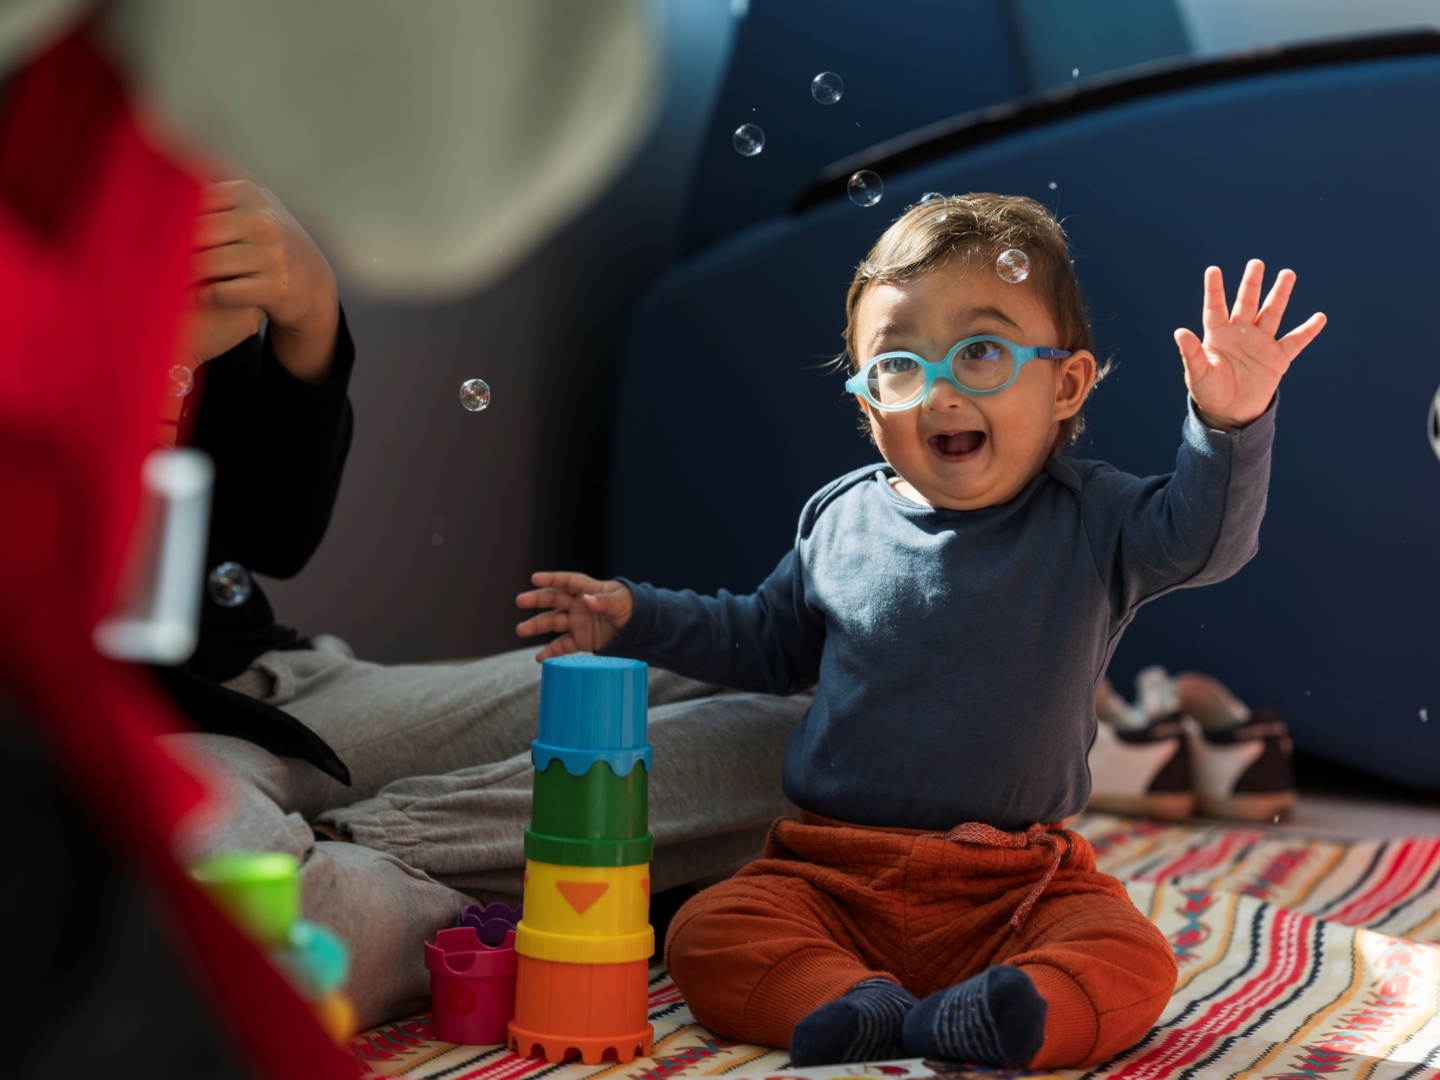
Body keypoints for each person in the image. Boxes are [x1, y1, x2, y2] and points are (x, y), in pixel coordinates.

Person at [515, 193, 1326, 1069]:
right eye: (899, 365)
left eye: (981, 352)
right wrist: (636, 615)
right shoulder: (839, 520)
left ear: (1066, 386)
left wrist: (1228, 424)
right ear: (868, 403)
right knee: (708, 930)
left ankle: (1005, 1011)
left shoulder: (1094, 520)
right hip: (830, 871)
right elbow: (763, 640)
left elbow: (1207, 542)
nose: (940, 391)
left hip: (1017, 886)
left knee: (1132, 958)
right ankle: (846, 1001)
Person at [162, 178, 809, 1030]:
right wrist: (129, 382)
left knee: (835, 722)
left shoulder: (140, 209)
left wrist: (310, 322)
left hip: (272, 691)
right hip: (123, 736)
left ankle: (361, 855)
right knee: (233, 920)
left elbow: (268, 539)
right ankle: (439, 882)